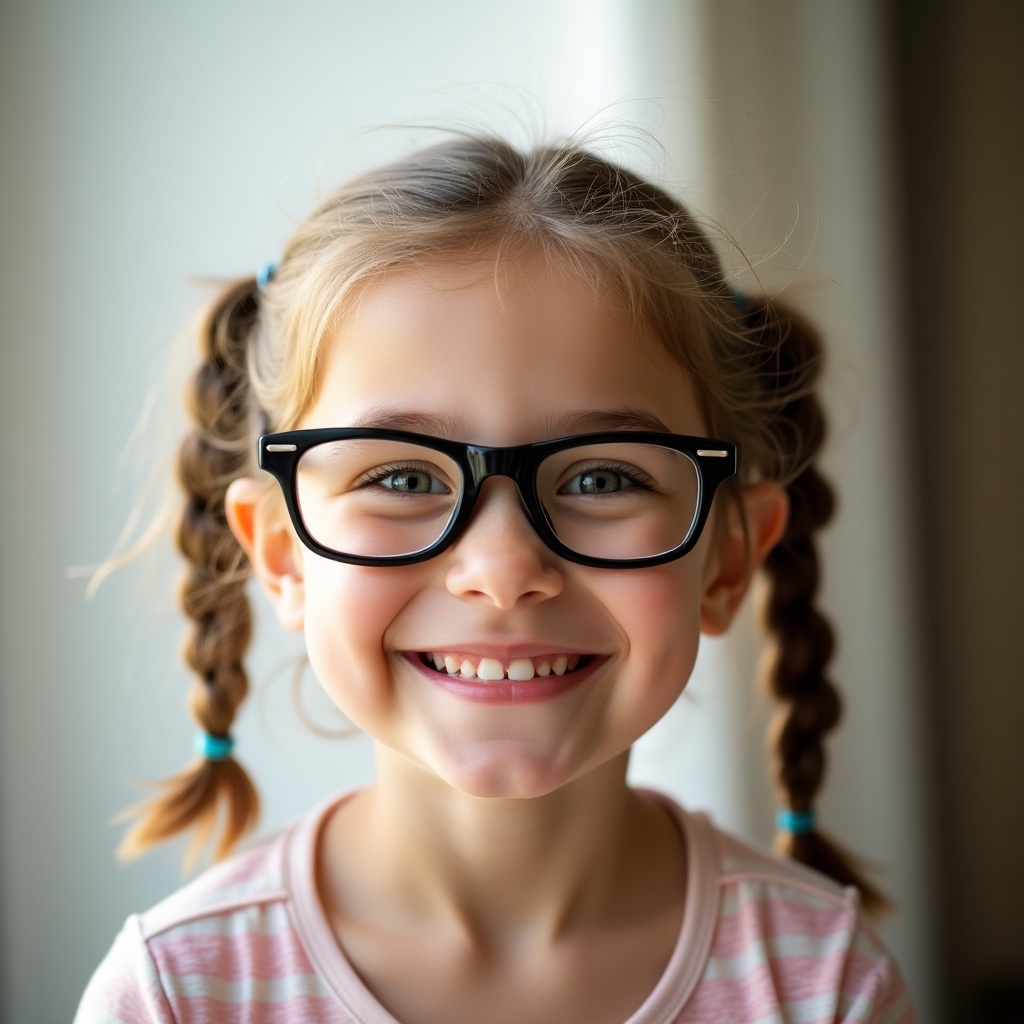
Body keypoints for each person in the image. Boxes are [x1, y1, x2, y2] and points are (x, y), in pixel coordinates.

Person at [76, 135, 917, 1023]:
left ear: (729, 559)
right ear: (282, 554)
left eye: (601, 478)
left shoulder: (826, 984)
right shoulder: (179, 995)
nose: (504, 570)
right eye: (401, 479)